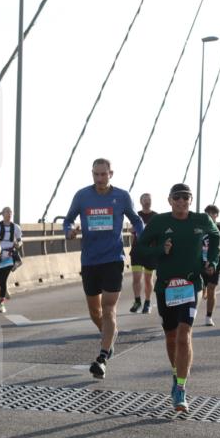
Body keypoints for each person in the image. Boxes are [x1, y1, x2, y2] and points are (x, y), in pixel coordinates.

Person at [135, 184, 220, 412]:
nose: (182, 202)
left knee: (184, 335)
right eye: (177, 198)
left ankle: (181, 388)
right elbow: (139, 250)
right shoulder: (160, 222)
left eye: (186, 198)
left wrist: (212, 261)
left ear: (191, 200)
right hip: (165, 288)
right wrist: (160, 250)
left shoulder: (201, 220)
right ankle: (176, 375)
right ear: (169, 200)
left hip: (192, 285)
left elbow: (216, 235)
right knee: (171, 337)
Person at [63, 158, 144, 379]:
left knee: (109, 309)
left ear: (111, 174)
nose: (99, 178)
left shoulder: (121, 196)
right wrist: (69, 231)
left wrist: (142, 235)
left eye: (103, 174)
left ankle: (103, 356)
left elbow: (136, 221)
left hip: (113, 259)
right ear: (92, 174)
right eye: (96, 174)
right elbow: (68, 220)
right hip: (90, 260)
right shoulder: (82, 196)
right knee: (95, 311)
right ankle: (109, 335)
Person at [129, 193, 158, 314]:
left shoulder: (156, 216)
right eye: (145, 200)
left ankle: (147, 302)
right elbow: (131, 232)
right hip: (137, 251)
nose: (147, 202)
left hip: (150, 252)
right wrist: (132, 230)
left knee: (148, 279)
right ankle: (137, 301)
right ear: (141, 202)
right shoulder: (136, 215)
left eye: (149, 200)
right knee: (136, 278)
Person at [0, 207, 22, 313]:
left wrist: (18, 244)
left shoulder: (16, 228)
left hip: (9, 256)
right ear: (2, 214)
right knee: (0, 280)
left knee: (3, 280)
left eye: (10, 212)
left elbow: (20, 241)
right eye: (7, 212)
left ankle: (1, 304)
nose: (9, 214)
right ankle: (5, 290)